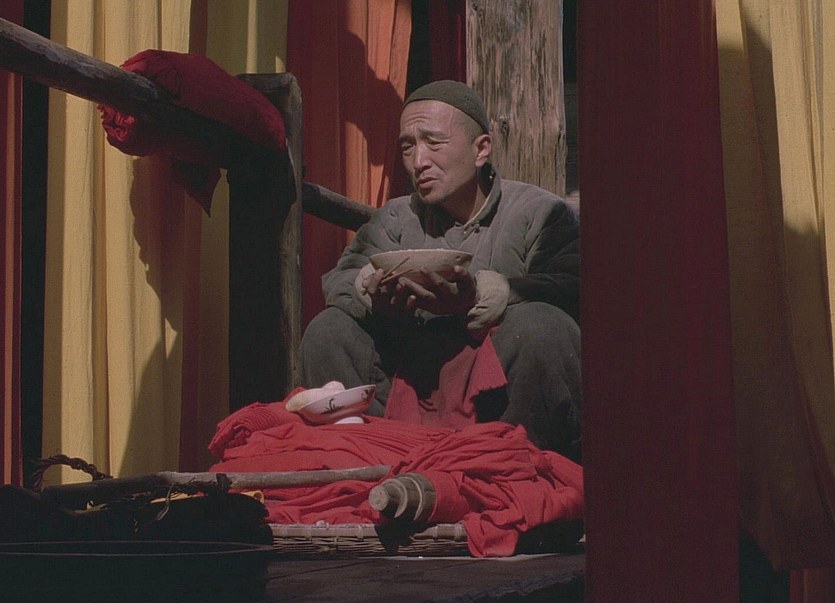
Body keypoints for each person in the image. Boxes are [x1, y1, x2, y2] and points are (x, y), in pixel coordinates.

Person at [301, 80, 581, 461]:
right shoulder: (396, 218)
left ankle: (516, 470)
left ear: (481, 149)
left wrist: (485, 296)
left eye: (433, 142)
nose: (418, 162)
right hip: (407, 386)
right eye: (407, 147)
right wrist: (372, 294)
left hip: (496, 399)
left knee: (542, 327)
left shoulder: (537, 213)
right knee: (329, 330)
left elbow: (575, 286)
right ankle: (365, 465)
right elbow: (341, 277)